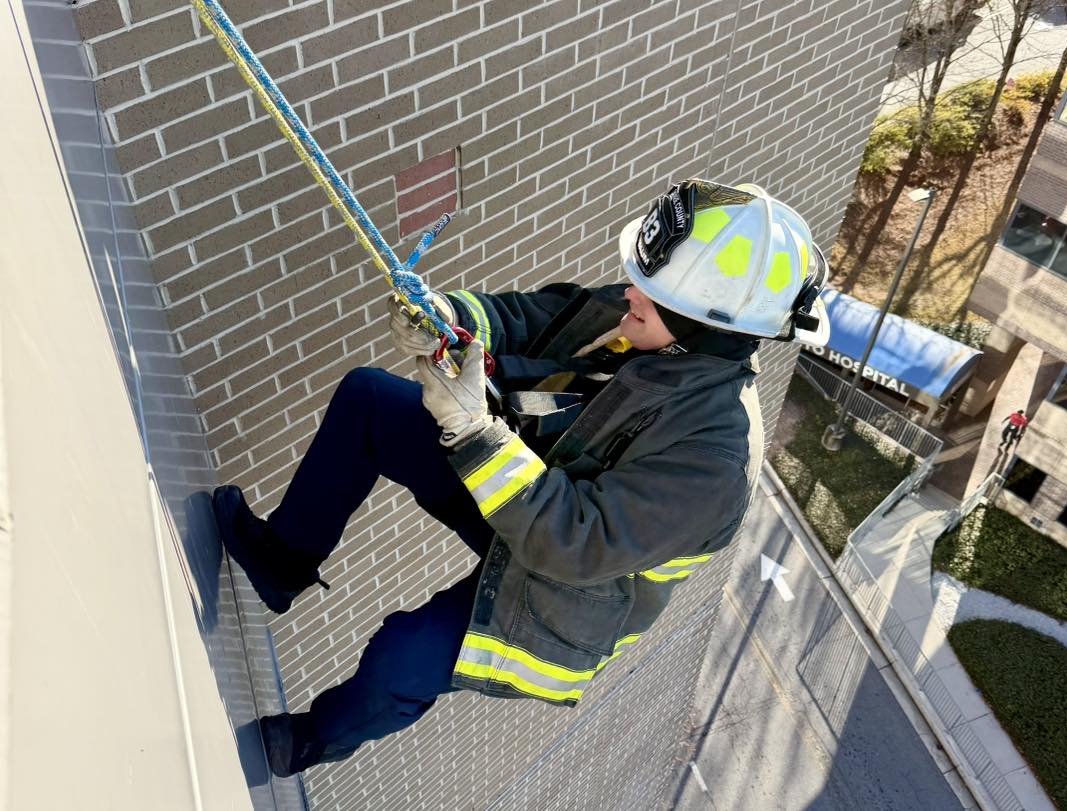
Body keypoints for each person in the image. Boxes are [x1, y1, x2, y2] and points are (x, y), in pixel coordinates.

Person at [212, 179, 832, 777]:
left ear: (710, 325)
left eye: (652, 293)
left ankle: (310, 740)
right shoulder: (648, 319)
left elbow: (576, 542)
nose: (630, 294)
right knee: (369, 401)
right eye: (640, 281)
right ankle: (282, 560)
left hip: (568, 592)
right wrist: (447, 315)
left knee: (403, 656)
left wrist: (473, 432)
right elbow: (535, 319)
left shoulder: (715, 458)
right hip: (525, 494)